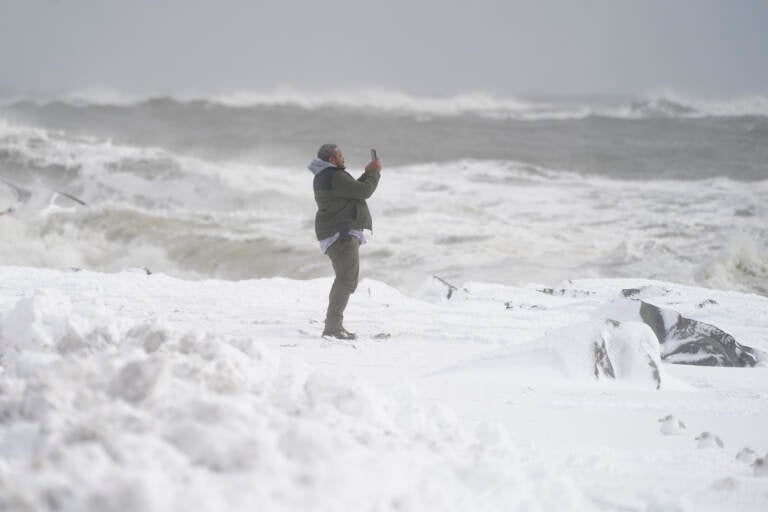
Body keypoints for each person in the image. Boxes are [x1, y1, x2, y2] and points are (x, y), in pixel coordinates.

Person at [308, 144, 382, 339]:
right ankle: (333, 327)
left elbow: (354, 191)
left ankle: (333, 325)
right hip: (341, 234)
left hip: (336, 233)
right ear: (332, 159)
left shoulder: (326, 176)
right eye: (340, 155)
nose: (343, 158)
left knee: (345, 279)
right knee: (346, 280)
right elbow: (364, 191)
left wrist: (368, 173)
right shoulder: (335, 176)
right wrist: (374, 172)